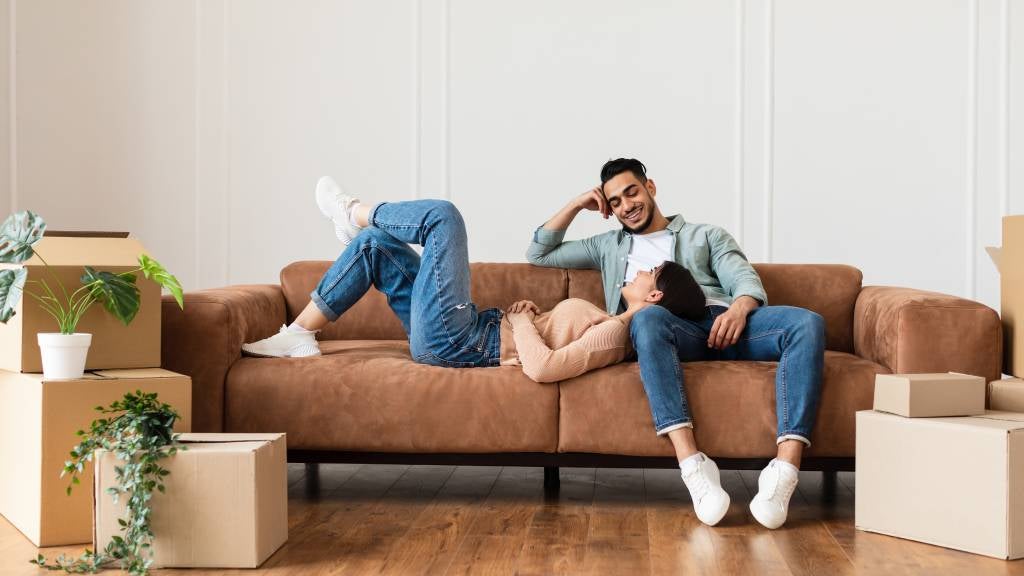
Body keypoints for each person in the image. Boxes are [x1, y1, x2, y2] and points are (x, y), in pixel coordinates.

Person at [526, 158, 825, 529]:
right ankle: (694, 467)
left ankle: (783, 471)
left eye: (631, 192)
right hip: (668, 331)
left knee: (807, 323)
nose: (626, 205)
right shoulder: (607, 246)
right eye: (614, 201)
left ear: (650, 187)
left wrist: (739, 310)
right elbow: (539, 252)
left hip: (727, 322)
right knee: (647, 317)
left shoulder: (706, 235)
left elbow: (744, 279)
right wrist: (575, 204)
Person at [241, 177, 707, 386]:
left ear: (655, 294)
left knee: (443, 217)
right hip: (468, 333)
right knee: (376, 245)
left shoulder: (615, 331)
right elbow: (541, 257)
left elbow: (543, 368)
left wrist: (521, 321)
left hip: (461, 342)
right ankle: (299, 335)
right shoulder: (610, 320)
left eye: (648, 272)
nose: (640, 269)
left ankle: (352, 210)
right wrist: (534, 316)